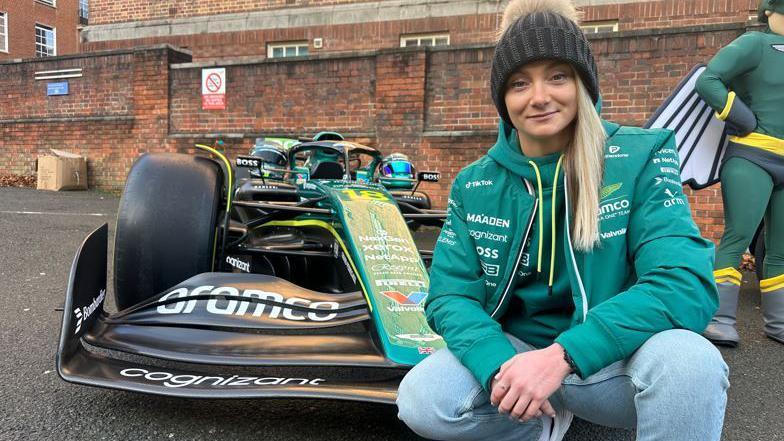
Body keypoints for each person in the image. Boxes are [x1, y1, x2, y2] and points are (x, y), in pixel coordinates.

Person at [395, 0, 729, 439]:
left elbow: (683, 282)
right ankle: (540, 422)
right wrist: (499, 369)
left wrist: (563, 357)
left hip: (610, 360)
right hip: (515, 358)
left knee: (691, 364)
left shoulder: (641, 154)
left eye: (557, 76)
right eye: (519, 83)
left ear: (582, 83)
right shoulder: (475, 183)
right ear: (503, 99)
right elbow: (449, 296)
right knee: (423, 399)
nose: (539, 97)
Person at [695, 0, 784, 347]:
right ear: (769, 11)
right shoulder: (755, 44)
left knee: (780, 249)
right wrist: (740, 116)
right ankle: (719, 318)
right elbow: (708, 80)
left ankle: (778, 322)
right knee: (738, 236)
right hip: (752, 157)